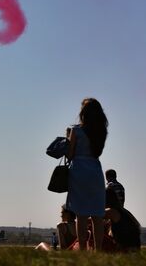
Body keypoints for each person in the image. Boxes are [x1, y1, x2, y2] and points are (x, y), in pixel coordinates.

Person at [65, 98, 108, 251]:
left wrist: (68, 139)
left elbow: (69, 155)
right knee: (97, 216)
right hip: (95, 171)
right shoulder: (101, 132)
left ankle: (82, 248)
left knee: (81, 215)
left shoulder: (76, 130)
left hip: (79, 172)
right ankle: (98, 250)